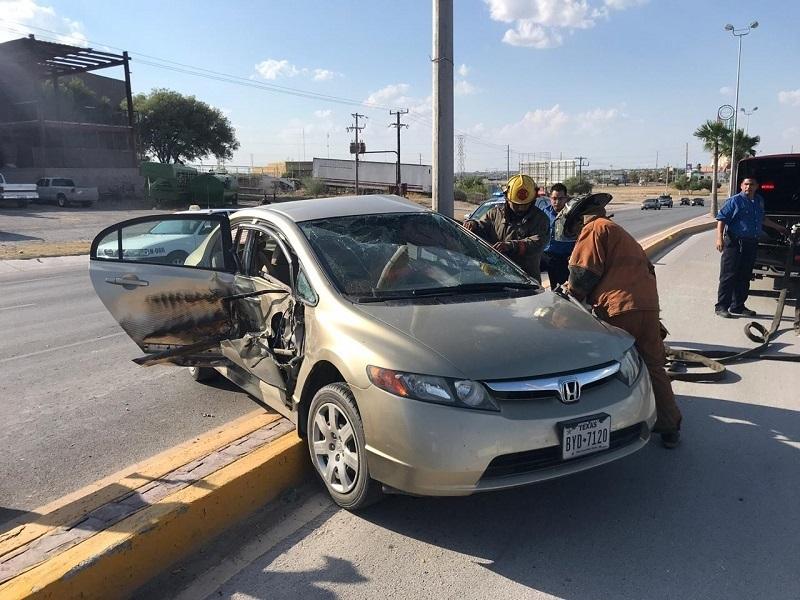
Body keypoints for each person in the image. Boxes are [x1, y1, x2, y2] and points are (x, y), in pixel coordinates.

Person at [560, 193, 682, 449]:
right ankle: (670, 427)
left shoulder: (594, 228)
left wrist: (568, 295)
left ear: (579, 219)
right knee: (653, 365)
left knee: (612, 369)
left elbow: (583, 273)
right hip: (646, 307)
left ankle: (618, 426)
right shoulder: (619, 232)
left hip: (618, 309)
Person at [714, 177, 789, 318]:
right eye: (746, 184)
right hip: (734, 243)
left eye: (751, 184)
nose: (748, 187)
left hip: (751, 243)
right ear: (742, 186)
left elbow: (762, 219)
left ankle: (738, 306)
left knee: (744, 275)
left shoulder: (759, 201)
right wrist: (719, 238)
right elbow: (721, 219)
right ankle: (722, 306)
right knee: (728, 275)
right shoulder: (734, 201)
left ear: (757, 186)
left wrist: (779, 227)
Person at [463, 174, 549, 280]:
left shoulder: (540, 219)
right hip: (495, 279)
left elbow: (537, 243)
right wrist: (473, 224)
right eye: (516, 205)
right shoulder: (494, 214)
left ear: (533, 200)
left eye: (525, 204)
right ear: (507, 198)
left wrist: (511, 246)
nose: (521, 208)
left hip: (526, 281)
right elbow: (481, 227)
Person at [540, 182, 573, 287]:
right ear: (550, 198)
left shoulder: (572, 215)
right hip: (545, 255)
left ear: (566, 198)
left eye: (560, 198)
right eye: (554, 198)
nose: (557, 202)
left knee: (560, 290)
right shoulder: (543, 213)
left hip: (563, 258)